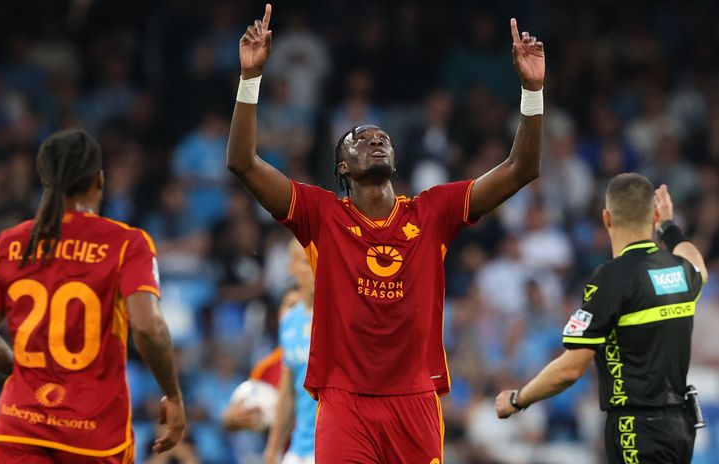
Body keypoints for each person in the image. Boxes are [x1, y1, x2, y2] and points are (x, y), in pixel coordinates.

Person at [227, 4, 545, 462]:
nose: (376, 140)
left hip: (415, 400)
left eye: (383, 138)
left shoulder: (434, 210)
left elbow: (522, 168)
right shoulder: (321, 215)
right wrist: (250, 79)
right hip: (344, 402)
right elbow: (243, 163)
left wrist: (532, 91)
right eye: (360, 138)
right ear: (342, 167)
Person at [0, 129, 186, 463]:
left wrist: (22, 370)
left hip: (20, 428)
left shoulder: (9, 244)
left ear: (45, 179)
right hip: (94, 437)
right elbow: (148, 327)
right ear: (99, 179)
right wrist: (172, 394)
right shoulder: (127, 244)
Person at [495, 176, 708, 464]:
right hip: (680, 429)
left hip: (636, 428)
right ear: (654, 215)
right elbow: (698, 265)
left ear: (607, 218)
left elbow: (569, 370)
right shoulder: (679, 272)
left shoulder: (611, 279)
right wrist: (669, 226)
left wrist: (517, 399)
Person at [264, 240, 317, 464]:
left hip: (335, 443)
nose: (316, 269)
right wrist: (273, 450)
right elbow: (287, 393)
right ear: (292, 267)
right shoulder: (289, 320)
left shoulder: (341, 317)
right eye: (307, 263)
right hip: (299, 448)